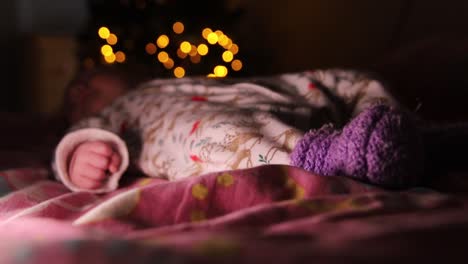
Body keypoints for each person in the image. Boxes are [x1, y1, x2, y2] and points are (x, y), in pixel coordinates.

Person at [53, 68, 423, 193]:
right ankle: (325, 154)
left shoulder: (160, 82)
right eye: (73, 99)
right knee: (217, 135)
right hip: (193, 129)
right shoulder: (109, 118)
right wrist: (79, 155)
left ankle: (416, 136)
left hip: (276, 96)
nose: (80, 91)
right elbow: (71, 147)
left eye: (86, 78)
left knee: (354, 79)